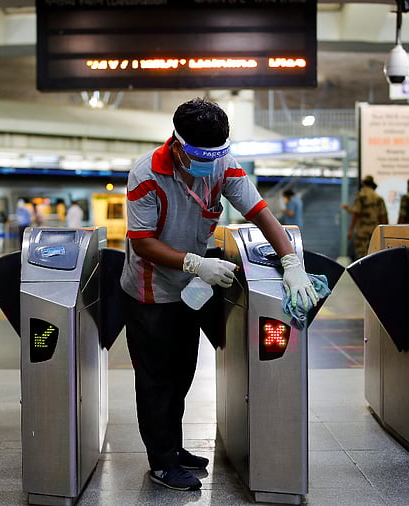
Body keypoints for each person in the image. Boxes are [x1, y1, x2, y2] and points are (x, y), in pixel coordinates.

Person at [120, 97, 319, 492]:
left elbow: (261, 212)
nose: (209, 163)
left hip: (190, 291)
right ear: (177, 144)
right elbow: (141, 242)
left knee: (182, 374)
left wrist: (291, 261)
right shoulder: (145, 174)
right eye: (199, 154)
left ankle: (173, 449)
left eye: (216, 154)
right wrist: (196, 263)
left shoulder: (221, 164)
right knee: (157, 380)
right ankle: (161, 463)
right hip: (150, 291)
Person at [342, 175, 388, 260]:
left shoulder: (361, 196)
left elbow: (356, 213)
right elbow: (383, 216)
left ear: (363, 184)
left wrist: (351, 230)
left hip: (362, 231)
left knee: (361, 256)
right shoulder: (378, 198)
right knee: (373, 256)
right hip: (374, 231)